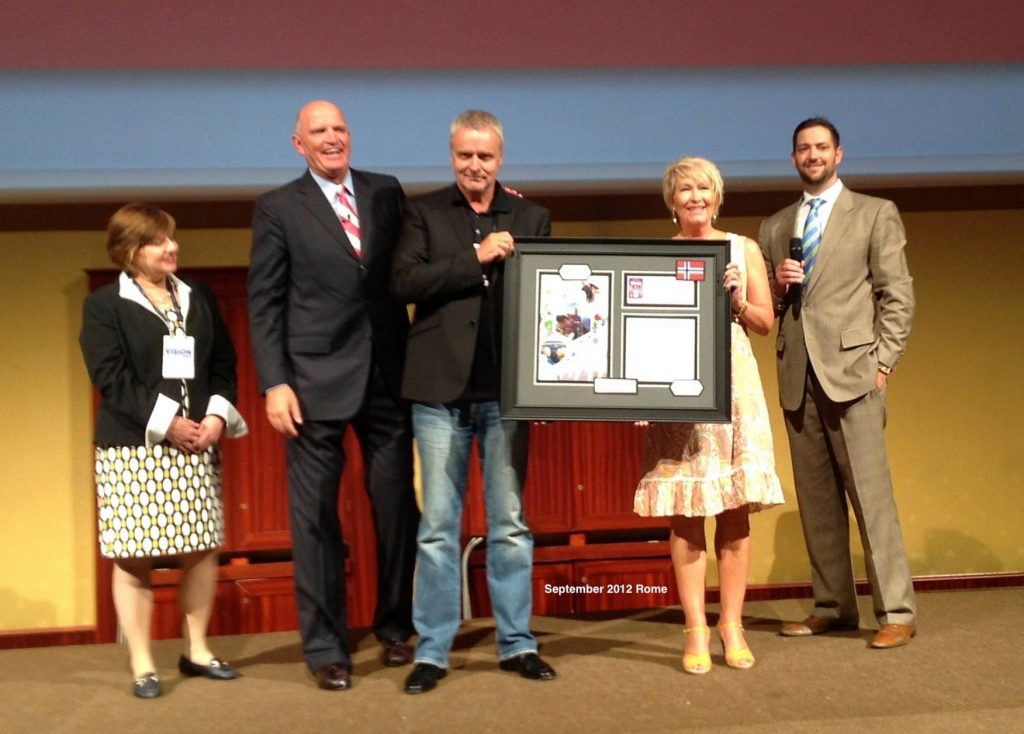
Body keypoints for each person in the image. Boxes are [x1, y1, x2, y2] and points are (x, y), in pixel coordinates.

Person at [248, 100, 420, 690]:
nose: (331, 138)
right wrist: (275, 383)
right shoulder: (278, 207)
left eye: (339, 128)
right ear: (299, 144)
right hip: (312, 383)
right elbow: (265, 302)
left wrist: (492, 206)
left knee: (398, 509)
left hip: (388, 376)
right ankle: (326, 647)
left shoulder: (385, 191)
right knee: (315, 518)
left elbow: (420, 249)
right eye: (318, 131)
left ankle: (395, 628)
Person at [392, 109, 557, 694]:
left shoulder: (532, 217)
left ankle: (517, 643)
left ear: (500, 158)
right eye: (465, 155)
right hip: (439, 395)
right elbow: (403, 283)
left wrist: (547, 385)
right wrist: (476, 257)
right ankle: (433, 651)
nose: (474, 165)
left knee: (509, 525)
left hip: (506, 397)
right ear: (452, 155)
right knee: (438, 528)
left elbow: (552, 309)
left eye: (485, 156)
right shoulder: (423, 213)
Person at [759, 117, 917, 649]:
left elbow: (898, 295)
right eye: (804, 148)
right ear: (793, 158)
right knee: (817, 503)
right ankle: (832, 606)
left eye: (821, 147)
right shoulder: (775, 226)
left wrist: (883, 363)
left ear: (838, 154)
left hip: (854, 376)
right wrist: (777, 285)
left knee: (872, 500)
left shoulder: (874, 213)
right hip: (797, 376)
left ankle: (896, 611)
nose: (813, 155)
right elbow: (769, 310)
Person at [80, 203, 248, 698]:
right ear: (130, 250)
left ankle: (197, 650)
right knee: (134, 556)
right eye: (158, 241)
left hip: (196, 443)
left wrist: (215, 417)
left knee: (201, 547)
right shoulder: (106, 305)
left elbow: (224, 363)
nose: (172, 247)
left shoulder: (198, 296)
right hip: (134, 448)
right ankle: (142, 663)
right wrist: (167, 423)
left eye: (171, 238)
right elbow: (111, 378)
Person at [634, 157, 785, 674]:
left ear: (717, 197)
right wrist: (641, 393)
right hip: (677, 391)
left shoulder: (743, 248)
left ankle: (732, 625)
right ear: (672, 202)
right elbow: (644, 329)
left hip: (733, 386)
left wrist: (738, 300)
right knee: (686, 511)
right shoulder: (658, 255)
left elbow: (764, 322)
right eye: (684, 190)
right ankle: (696, 627)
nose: (695, 197)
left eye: (703, 188)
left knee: (734, 511)